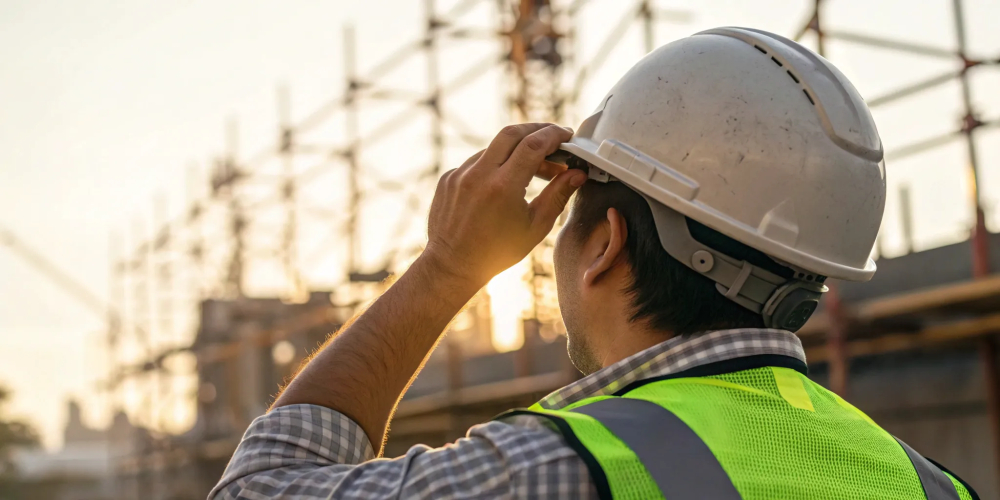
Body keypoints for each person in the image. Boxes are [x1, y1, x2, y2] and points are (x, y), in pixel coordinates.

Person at [209, 27, 978, 499]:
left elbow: (262, 488)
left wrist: (446, 269)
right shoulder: (930, 485)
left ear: (607, 243)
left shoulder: (551, 469)